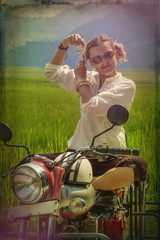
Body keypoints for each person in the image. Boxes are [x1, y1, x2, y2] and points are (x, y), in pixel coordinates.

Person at [45, 33, 147, 196]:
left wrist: (79, 80)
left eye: (108, 55)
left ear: (116, 53)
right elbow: (52, 72)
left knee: (138, 166)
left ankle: (91, 184)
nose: (104, 62)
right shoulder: (89, 79)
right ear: (90, 63)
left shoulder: (126, 86)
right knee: (34, 163)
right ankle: (104, 183)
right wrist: (64, 44)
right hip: (79, 152)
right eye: (97, 59)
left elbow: (93, 106)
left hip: (110, 155)